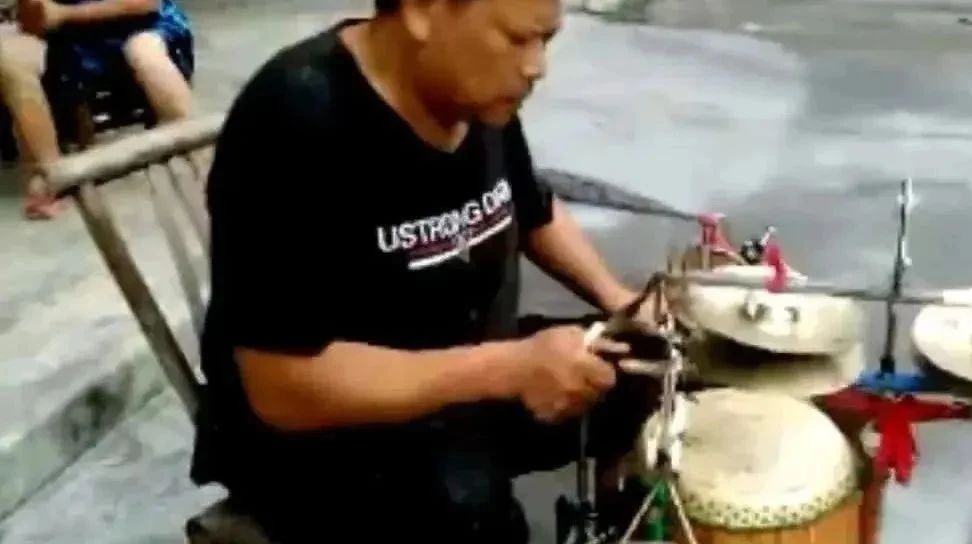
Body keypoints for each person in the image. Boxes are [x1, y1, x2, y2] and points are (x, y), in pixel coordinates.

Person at [191, 0, 658, 541]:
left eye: (545, 41)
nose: (536, 68)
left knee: (649, 369)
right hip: (324, 440)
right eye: (516, 39)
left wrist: (620, 300)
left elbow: (532, 210)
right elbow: (282, 389)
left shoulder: (474, 94)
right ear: (419, 11)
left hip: (462, 371)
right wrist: (508, 367)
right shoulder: (295, 120)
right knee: (469, 511)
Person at [0, 0, 194, 220]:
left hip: (141, 24)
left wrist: (65, 13)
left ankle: (195, 150)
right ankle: (50, 172)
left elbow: (146, 4)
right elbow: (35, 19)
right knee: (10, 58)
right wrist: (34, 12)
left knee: (145, 54)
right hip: (68, 38)